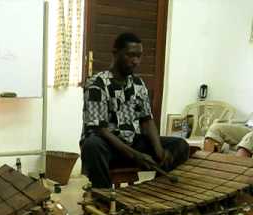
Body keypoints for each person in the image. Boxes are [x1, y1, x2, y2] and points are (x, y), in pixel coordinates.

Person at [80, 33, 189, 188]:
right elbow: (101, 130)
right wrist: (136, 156)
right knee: (92, 145)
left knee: (180, 145)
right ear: (115, 53)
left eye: (139, 56)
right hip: (108, 148)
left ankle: (156, 191)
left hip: (131, 142)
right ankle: (103, 198)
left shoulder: (138, 84)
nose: (135, 61)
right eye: (130, 55)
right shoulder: (97, 84)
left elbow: (147, 120)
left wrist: (158, 151)